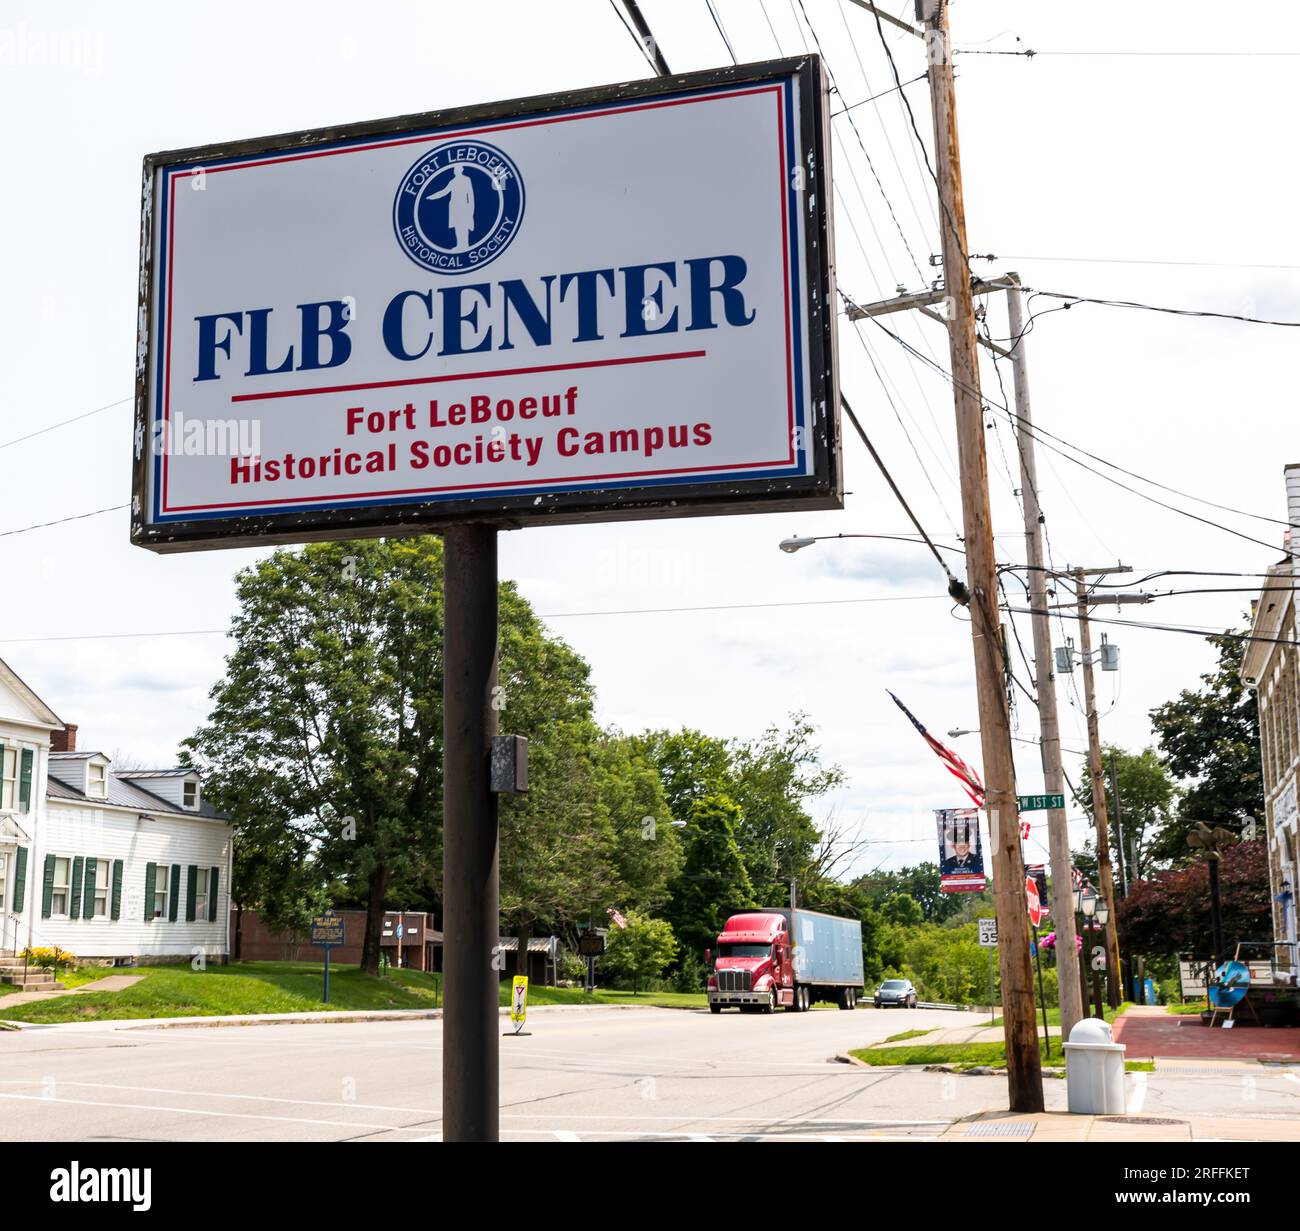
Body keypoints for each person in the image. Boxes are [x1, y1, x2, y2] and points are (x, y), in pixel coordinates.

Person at [426, 164, 475, 251]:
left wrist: (471, 208)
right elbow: (444, 191)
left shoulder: (466, 179)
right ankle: (460, 245)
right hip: (454, 207)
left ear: (461, 170)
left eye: (457, 169)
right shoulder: (453, 181)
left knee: (464, 226)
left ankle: (465, 245)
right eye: (454, 170)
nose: (455, 171)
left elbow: (470, 195)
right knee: (457, 226)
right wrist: (432, 196)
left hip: (464, 206)